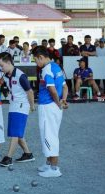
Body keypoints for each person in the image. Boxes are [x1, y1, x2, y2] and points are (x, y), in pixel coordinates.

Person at [32, 46, 68, 178]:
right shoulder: (56, 67)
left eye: (36, 60)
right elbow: (65, 86)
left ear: (41, 57)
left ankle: (54, 169)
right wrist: (63, 100)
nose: (36, 63)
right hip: (55, 106)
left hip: (48, 106)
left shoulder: (46, 70)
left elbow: (52, 90)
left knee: (49, 136)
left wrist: (59, 103)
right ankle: (48, 164)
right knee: (50, 134)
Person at [0, 52, 35, 167]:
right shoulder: (6, 75)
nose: (0, 68)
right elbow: (2, 85)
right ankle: (28, 154)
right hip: (13, 104)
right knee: (17, 133)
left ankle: (8, 158)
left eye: (2, 65)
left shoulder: (20, 75)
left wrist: (32, 106)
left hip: (22, 105)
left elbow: (30, 91)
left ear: (8, 62)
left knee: (14, 133)